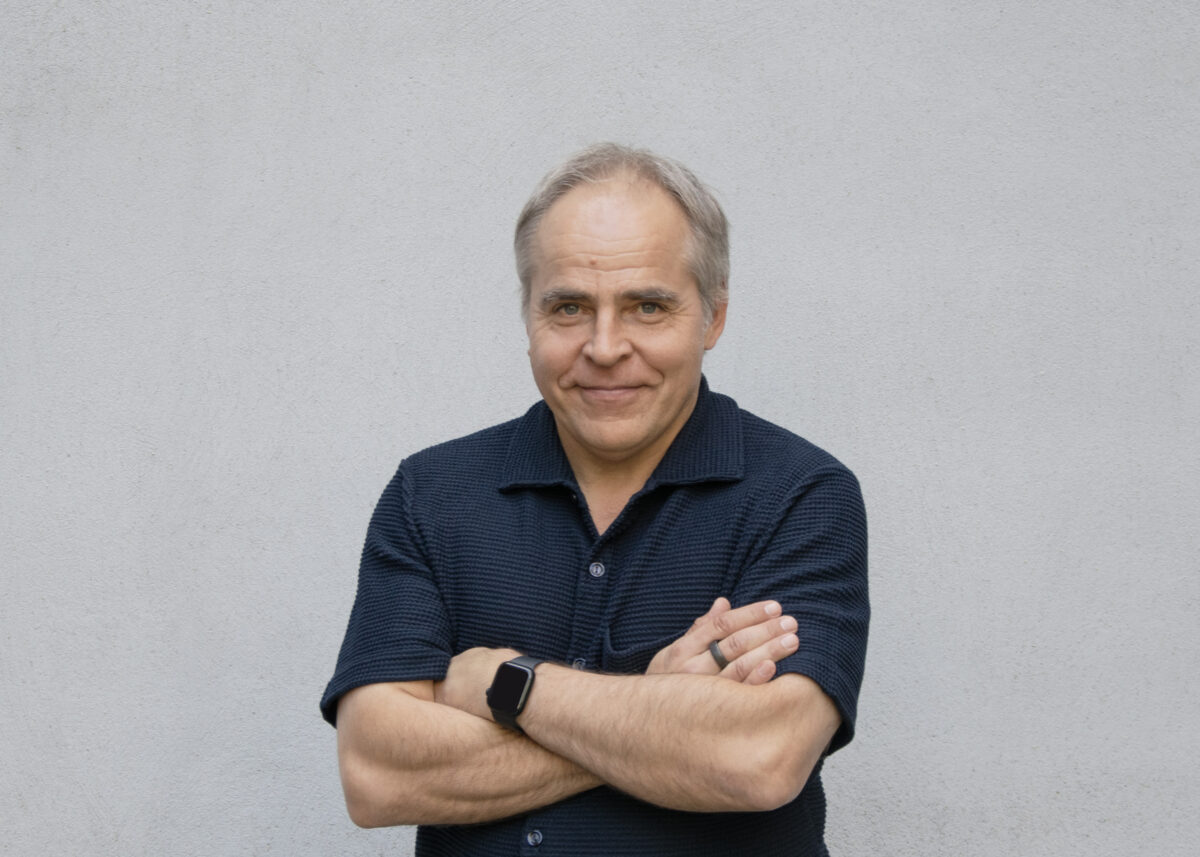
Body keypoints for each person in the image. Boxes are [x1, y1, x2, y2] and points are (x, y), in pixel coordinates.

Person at [320, 143, 868, 856]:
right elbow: (376, 775)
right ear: (529, 316)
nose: (605, 347)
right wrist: (660, 708)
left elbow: (757, 758)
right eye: (570, 307)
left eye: (648, 306)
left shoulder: (802, 496)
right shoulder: (430, 494)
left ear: (713, 317)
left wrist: (505, 686)